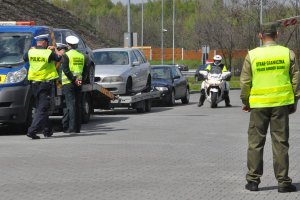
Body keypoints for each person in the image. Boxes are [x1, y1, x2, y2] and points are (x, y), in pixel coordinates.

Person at [240, 23, 300, 193]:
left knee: (255, 143)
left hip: (258, 106)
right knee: (280, 143)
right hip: (281, 105)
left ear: (260, 36)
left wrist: (246, 102)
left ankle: (253, 181)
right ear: (277, 34)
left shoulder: (252, 55)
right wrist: (294, 100)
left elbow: (245, 82)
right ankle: (283, 182)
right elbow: (296, 78)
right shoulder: (287, 53)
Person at [24, 34, 61, 139]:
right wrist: (55, 49)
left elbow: (24, 58)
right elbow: (59, 58)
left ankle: (47, 129)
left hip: (34, 84)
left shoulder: (30, 52)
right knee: (42, 108)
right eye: (47, 43)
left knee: (40, 107)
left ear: (37, 43)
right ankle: (32, 130)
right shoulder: (48, 53)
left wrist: (32, 49)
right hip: (45, 84)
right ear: (45, 43)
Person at [60, 35, 85, 133]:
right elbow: (84, 70)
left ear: (68, 45)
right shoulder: (81, 55)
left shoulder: (67, 55)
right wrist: (78, 79)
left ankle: (71, 127)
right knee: (78, 104)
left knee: (71, 105)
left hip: (68, 82)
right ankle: (78, 127)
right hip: (78, 81)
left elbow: (65, 70)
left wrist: (72, 79)